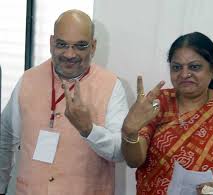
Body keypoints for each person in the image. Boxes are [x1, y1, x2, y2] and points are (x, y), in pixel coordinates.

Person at [0, 9, 128, 195]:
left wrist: (89, 130)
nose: (70, 54)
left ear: (93, 46)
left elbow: (120, 151)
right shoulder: (28, 79)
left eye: (80, 46)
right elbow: (5, 139)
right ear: (52, 43)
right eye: (62, 44)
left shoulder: (112, 86)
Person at [121, 32, 213, 195]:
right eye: (177, 67)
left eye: (194, 67)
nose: (184, 74)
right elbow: (134, 160)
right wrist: (129, 132)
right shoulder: (158, 103)